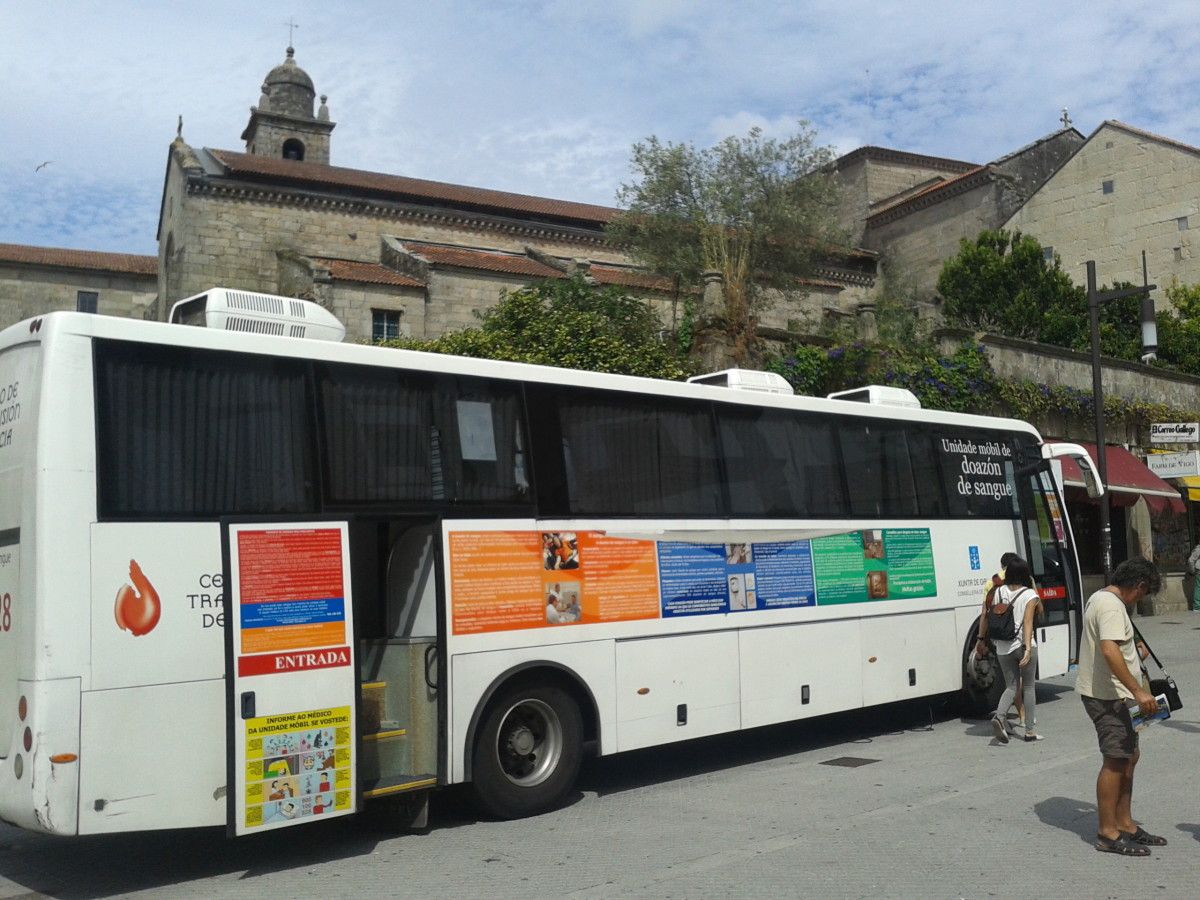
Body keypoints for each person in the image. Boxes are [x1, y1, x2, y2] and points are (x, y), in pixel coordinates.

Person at [1075, 557, 1164, 856]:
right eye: (1145, 593)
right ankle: (1107, 833)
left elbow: (1117, 646)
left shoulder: (1101, 598)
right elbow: (1109, 649)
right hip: (1107, 696)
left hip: (1116, 696)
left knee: (1130, 755)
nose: (1142, 600)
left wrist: (1134, 653)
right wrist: (1138, 690)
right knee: (1115, 759)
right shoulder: (1112, 606)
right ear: (1139, 585)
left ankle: (1125, 823)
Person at [984, 557, 1043, 743]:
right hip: (1022, 644)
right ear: (1026, 575)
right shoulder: (1030, 595)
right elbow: (1028, 622)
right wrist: (1026, 649)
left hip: (1002, 646)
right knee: (1028, 686)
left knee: (1011, 686)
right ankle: (1030, 732)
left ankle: (999, 717)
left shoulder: (998, 591)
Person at [1186, 540, 1200, 612]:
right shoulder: (1198, 549)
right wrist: (1192, 571)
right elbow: (1191, 560)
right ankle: (1197, 607)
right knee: (1198, 588)